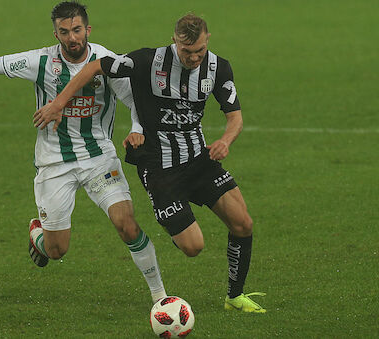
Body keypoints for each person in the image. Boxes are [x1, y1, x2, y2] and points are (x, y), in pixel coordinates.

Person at [0, 1, 167, 303]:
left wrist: (137, 129)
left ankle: (160, 298)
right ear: (55, 34)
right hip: (54, 163)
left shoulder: (106, 60)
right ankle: (39, 233)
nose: (72, 38)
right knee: (56, 250)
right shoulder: (39, 62)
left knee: (126, 224)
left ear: (88, 29)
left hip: (98, 157)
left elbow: (137, 102)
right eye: (64, 32)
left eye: (77, 30)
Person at [34, 13, 266, 313]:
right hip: (159, 168)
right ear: (175, 41)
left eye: (199, 51)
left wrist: (225, 141)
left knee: (243, 223)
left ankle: (235, 297)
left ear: (207, 40)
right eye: (187, 52)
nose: (194, 57)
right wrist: (58, 103)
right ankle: (172, 219)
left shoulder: (218, 67)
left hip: (199, 160)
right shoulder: (146, 61)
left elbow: (235, 117)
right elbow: (95, 67)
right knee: (193, 248)